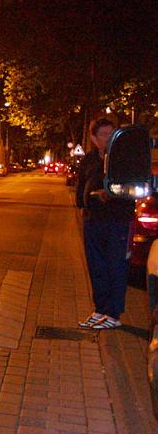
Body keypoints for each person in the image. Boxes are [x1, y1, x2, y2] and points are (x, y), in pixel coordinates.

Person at [76, 117, 135, 329]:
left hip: (117, 221)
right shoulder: (90, 159)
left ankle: (113, 314)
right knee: (96, 266)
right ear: (94, 138)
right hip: (93, 221)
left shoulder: (123, 160)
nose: (109, 138)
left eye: (112, 134)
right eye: (103, 135)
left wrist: (108, 195)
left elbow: (129, 189)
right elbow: (81, 184)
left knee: (116, 266)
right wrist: (82, 203)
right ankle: (100, 309)